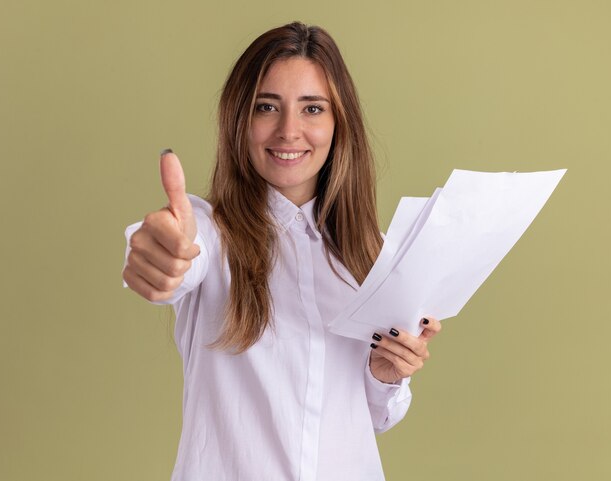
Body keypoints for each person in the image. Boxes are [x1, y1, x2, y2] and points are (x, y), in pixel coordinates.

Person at [122, 21, 442, 481]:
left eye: (312, 108)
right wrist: (158, 257)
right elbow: (172, 251)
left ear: (338, 123)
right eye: (266, 107)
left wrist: (387, 373)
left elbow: (376, 417)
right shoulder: (212, 233)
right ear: (240, 120)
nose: (289, 130)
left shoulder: (374, 255)